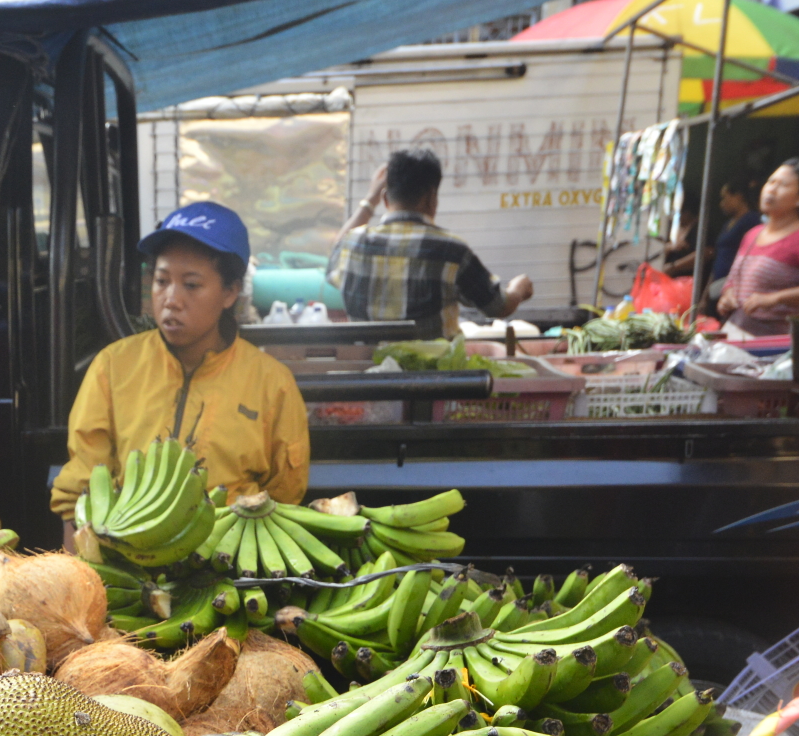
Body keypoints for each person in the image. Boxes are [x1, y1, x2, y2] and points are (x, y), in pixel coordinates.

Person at [51, 202, 308, 539]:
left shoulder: (272, 383)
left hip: (231, 563)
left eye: (191, 285)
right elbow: (80, 491)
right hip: (127, 557)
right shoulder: (113, 366)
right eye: (161, 281)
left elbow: (285, 499)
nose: (171, 299)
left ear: (230, 292)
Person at [326, 149, 533, 334]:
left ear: (386, 199)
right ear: (432, 198)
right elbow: (497, 307)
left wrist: (370, 199)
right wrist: (518, 290)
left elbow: (334, 256)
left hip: (371, 372)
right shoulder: (451, 250)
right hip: (432, 375)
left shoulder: (352, 244)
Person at [718, 159, 799, 337]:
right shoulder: (753, 234)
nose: (771, 189)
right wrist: (727, 296)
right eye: (771, 182)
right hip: (736, 329)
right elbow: (733, 279)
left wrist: (775, 298)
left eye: (782, 185)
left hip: (773, 341)